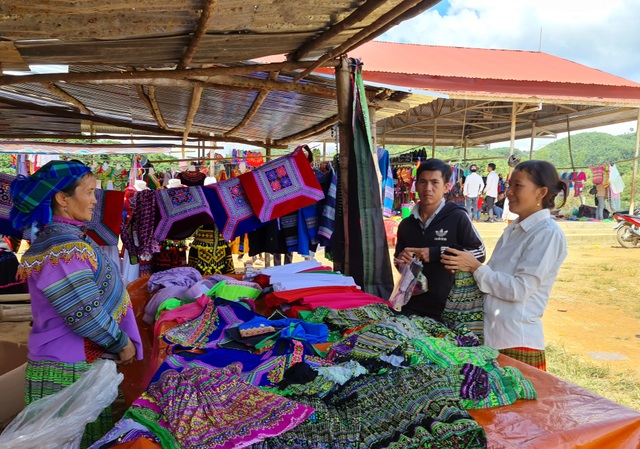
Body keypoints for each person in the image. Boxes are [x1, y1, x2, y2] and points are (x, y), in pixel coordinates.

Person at [10, 160, 143, 448]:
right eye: (90, 192)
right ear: (62, 199)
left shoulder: (62, 241)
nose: (96, 200)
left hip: (72, 364)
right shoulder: (63, 249)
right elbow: (84, 313)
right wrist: (122, 343)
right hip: (70, 370)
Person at [441, 160, 568, 371]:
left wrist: (475, 267)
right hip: (493, 337)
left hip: (517, 341)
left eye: (518, 186)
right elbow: (493, 280)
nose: (508, 192)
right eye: (509, 185)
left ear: (541, 192)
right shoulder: (515, 230)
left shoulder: (546, 233)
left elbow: (519, 289)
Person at [394, 158, 486, 321]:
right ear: (416, 185)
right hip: (412, 306)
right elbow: (398, 261)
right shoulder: (406, 224)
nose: (428, 188)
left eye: (434, 182)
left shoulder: (457, 217)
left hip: (450, 309)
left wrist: (436, 253)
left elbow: (479, 252)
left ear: (446, 187)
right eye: (422, 182)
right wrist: (402, 261)